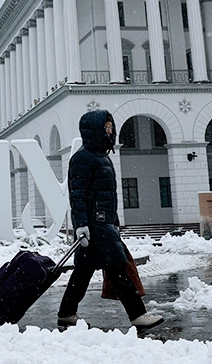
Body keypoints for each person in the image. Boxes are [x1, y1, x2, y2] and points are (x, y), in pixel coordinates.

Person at [58, 110, 163, 330]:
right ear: (94, 129)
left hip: (103, 224)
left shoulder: (100, 155)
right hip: (95, 226)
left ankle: (66, 313)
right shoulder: (83, 158)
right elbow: (78, 195)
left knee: (83, 272)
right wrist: (81, 225)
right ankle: (137, 314)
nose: (110, 130)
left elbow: (105, 195)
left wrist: (112, 221)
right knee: (118, 268)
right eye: (106, 127)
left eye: (110, 127)